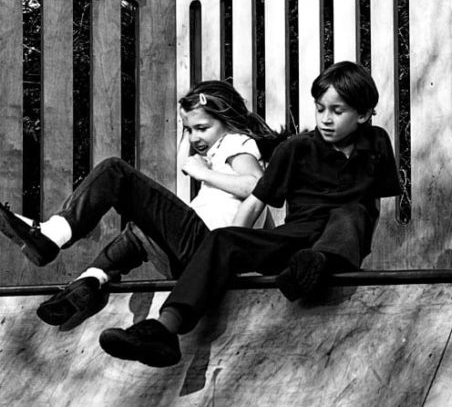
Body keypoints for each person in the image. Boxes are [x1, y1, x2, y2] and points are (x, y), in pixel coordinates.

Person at [97, 61, 402, 367]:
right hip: (298, 237)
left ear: (362, 114)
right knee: (221, 240)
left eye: (337, 111)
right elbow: (255, 202)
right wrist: (235, 242)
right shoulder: (296, 149)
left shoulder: (376, 143)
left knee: (351, 212)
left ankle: (319, 263)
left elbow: (373, 205)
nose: (325, 119)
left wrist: (356, 252)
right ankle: (163, 329)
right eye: (320, 109)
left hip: (340, 239)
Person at [0, 80, 285, 332]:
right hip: (196, 264)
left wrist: (203, 173)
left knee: (115, 172)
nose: (195, 138)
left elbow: (257, 186)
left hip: (204, 246)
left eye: (202, 128)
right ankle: (91, 282)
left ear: (228, 121)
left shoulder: (237, 142)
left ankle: (54, 234)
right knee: (138, 233)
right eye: (189, 130)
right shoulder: (221, 151)